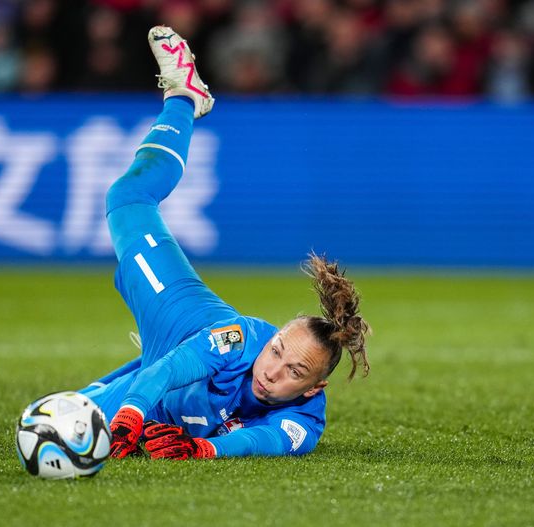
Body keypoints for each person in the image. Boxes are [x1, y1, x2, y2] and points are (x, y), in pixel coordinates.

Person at [79, 26, 371, 460]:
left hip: (174, 402)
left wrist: (204, 450)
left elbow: (263, 440)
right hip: (182, 322)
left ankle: (127, 391)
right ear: (273, 336)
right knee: (127, 198)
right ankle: (184, 98)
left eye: (296, 371)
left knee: (54, 420)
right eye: (276, 351)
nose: (273, 371)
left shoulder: (306, 419)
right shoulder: (241, 337)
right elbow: (181, 363)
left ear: (315, 388)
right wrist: (132, 412)